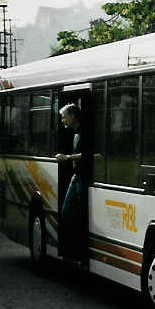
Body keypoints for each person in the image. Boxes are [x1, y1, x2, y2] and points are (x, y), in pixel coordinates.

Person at [55, 103, 84, 259]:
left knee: (76, 212)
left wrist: (67, 157)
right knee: (67, 212)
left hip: (81, 177)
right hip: (76, 177)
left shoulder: (84, 133)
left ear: (73, 116)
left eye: (64, 117)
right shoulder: (75, 133)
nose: (63, 120)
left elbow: (93, 155)